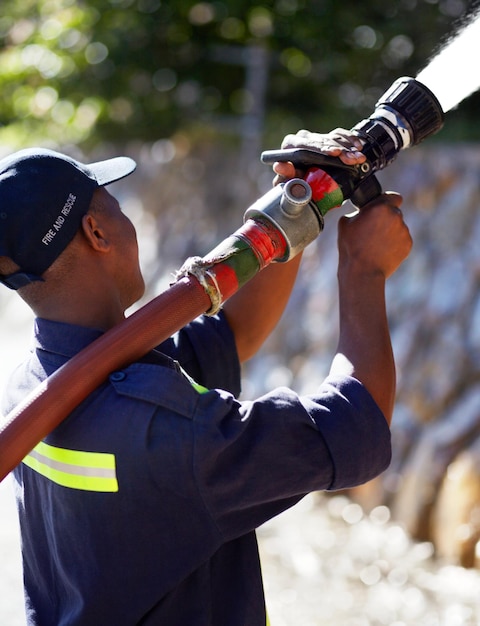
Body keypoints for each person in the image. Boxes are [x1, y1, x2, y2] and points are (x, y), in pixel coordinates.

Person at [0, 129, 412, 626]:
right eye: (114, 202)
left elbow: (233, 334)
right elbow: (356, 426)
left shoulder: (31, 388)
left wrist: (296, 213)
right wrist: (363, 269)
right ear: (97, 232)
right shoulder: (165, 428)